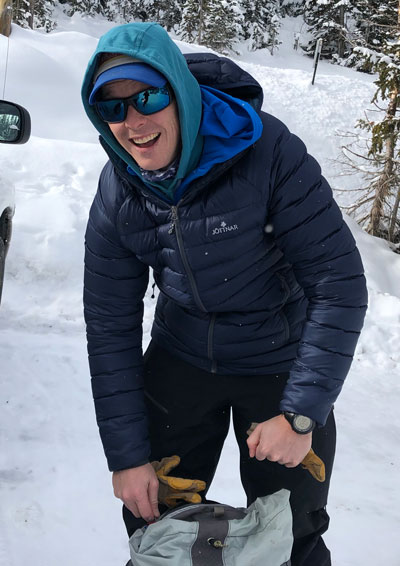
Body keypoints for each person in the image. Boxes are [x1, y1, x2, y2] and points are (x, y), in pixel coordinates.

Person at [81, 22, 368, 566]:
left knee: (292, 532)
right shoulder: (118, 190)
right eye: (113, 107)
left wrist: (301, 416)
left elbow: (339, 282)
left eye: (148, 97)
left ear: (179, 92)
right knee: (154, 520)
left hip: (278, 359)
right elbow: (109, 325)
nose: (134, 121)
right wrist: (126, 457)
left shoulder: (269, 151)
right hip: (182, 356)